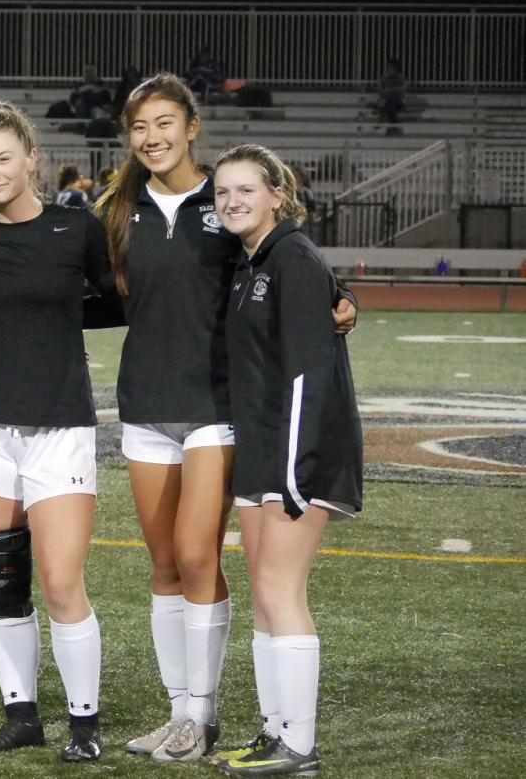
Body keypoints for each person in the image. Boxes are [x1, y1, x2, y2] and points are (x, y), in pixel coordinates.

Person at [95, 74, 356, 763]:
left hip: (216, 404)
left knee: (194, 554)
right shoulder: (119, 209)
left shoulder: (227, 197)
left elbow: (289, 267)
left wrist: (341, 297)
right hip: (145, 403)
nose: (150, 138)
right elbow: (94, 289)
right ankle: (180, 713)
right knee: (161, 564)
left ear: (190, 125)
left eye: (163, 123)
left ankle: (204, 715)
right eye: (138, 127)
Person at [0, 102, 119, 763]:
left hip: (60, 428)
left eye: (1, 158)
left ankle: (85, 724)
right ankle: (20, 715)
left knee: (59, 582)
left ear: (31, 161)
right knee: (3, 581)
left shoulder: (77, 229)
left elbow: (123, 296)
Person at [210, 144, 362, 777]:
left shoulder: (292, 256)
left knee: (281, 589)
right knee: (265, 597)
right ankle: (274, 734)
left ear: (278, 193)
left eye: (247, 190)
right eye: (222, 193)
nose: (232, 202)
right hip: (263, 448)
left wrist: (296, 470)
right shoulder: (249, 261)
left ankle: (299, 745)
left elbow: (307, 374)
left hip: (299, 452)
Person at [376, 58, 407, 125]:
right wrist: (391, 90)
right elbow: (380, 91)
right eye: (387, 67)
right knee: (389, 104)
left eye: (390, 67)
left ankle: (385, 119)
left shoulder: (400, 78)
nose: (388, 69)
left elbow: (401, 91)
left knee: (392, 103)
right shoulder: (383, 78)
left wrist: (390, 90)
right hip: (386, 101)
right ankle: (392, 123)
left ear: (395, 69)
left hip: (398, 102)